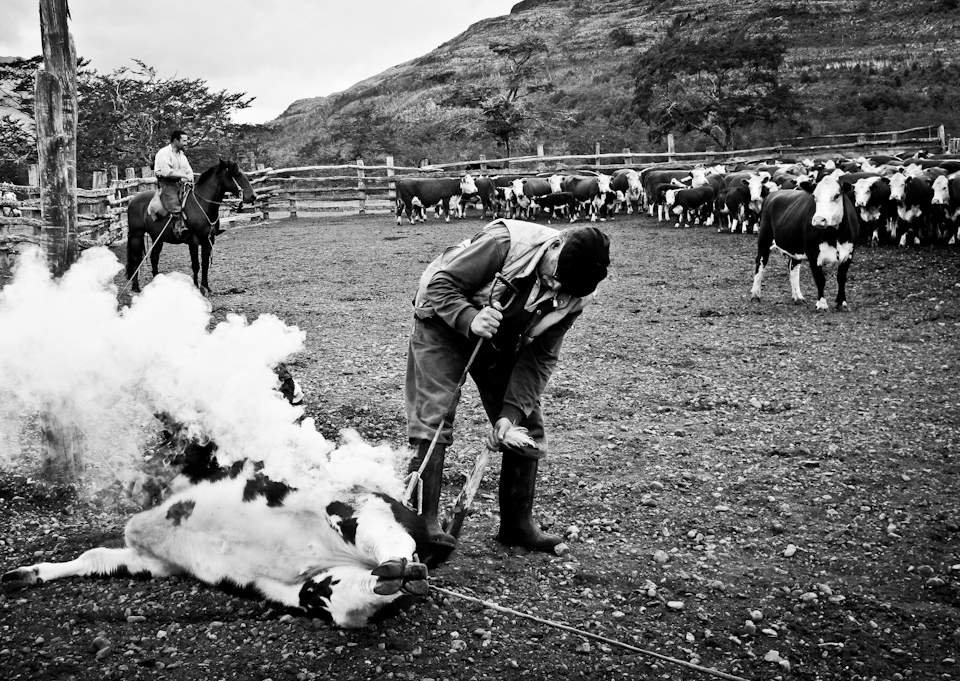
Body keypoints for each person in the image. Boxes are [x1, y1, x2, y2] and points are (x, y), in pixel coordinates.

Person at [406, 219, 610, 562]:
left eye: (564, 288)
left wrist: (509, 414)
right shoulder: (504, 242)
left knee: (526, 426)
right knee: (434, 415)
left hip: (498, 341)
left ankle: (517, 526)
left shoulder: (576, 293)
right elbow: (441, 285)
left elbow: (539, 358)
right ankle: (423, 524)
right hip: (440, 322)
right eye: (553, 276)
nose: (554, 287)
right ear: (555, 245)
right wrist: (469, 318)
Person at [154, 130, 194, 240]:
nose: (186, 143)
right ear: (176, 140)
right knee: (175, 205)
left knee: (194, 201)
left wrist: (189, 177)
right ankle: (180, 229)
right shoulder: (164, 153)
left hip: (181, 184)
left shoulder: (182, 156)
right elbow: (167, 172)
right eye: (184, 141)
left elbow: (189, 170)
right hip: (167, 184)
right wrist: (184, 176)